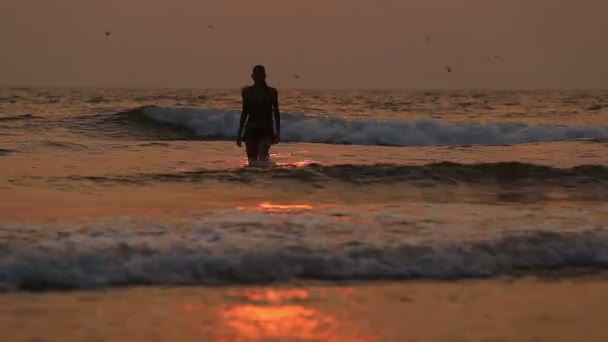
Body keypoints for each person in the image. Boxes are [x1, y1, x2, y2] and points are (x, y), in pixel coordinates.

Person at [237, 65, 281, 165]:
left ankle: (266, 175)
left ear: (265, 76)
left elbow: (276, 112)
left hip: (266, 129)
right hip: (251, 129)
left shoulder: (271, 92)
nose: (258, 78)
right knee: (252, 160)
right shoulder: (247, 92)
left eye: (260, 76)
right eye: (256, 76)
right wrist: (239, 134)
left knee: (262, 157)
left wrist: (278, 132)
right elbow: (244, 113)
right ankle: (255, 179)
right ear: (252, 76)